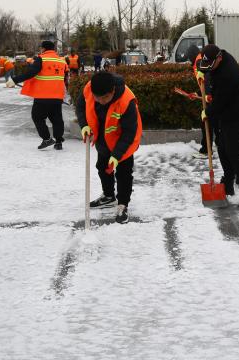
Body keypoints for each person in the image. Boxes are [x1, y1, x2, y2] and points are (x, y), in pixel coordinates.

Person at [77, 71, 142, 224]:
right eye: (97, 97)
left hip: (124, 142)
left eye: (105, 97)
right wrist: (84, 125)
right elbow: (80, 107)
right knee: (102, 167)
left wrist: (117, 155)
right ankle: (108, 196)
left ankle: (123, 204)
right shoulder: (90, 89)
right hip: (103, 138)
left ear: (112, 91)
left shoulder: (126, 101)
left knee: (124, 173)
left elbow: (129, 132)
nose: (100, 101)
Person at [198, 44, 239, 209]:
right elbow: (208, 70)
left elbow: (221, 101)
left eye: (210, 65)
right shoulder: (217, 59)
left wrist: (207, 112)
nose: (208, 68)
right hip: (223, 114)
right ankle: (228, 181)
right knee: (222, 148)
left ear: (219, 58)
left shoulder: (229, 74)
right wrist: (203, 75)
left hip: (235, 115)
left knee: (233, 150)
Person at [7, 40, 69, 150]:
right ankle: (59, 142)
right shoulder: (61, 60)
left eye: (41, 48)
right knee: (57, 119)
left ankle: (47, 139)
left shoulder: (41, 59)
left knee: (37, 117)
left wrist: (15, 80)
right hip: (57, 95)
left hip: (43, 95)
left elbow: (31, 73)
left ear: (44, 48)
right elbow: (65, 77)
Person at [186, 44, 210, 160]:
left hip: (209, 97)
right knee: (212, 123)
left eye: (189, 57)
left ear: (192, 55)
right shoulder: (200, 59)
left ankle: (206, 150)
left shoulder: (198, 62)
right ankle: (214, 146)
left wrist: (205, 95)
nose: (189, 60)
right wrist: (198, 94)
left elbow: (206, 81)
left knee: (205, 122)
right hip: (209, 94)